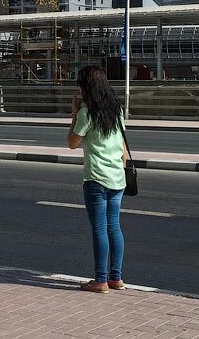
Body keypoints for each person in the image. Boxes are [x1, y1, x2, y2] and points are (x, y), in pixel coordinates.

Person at [67, 65, 127, 293]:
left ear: (86, 88)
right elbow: (122, 146)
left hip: (96, 178)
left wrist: (73, 115)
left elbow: (72, 143)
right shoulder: (116, 110)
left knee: (100, 229)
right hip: (117, 178)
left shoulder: (86, 114)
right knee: (114, 227)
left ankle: (101, 280)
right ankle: (116, 278)